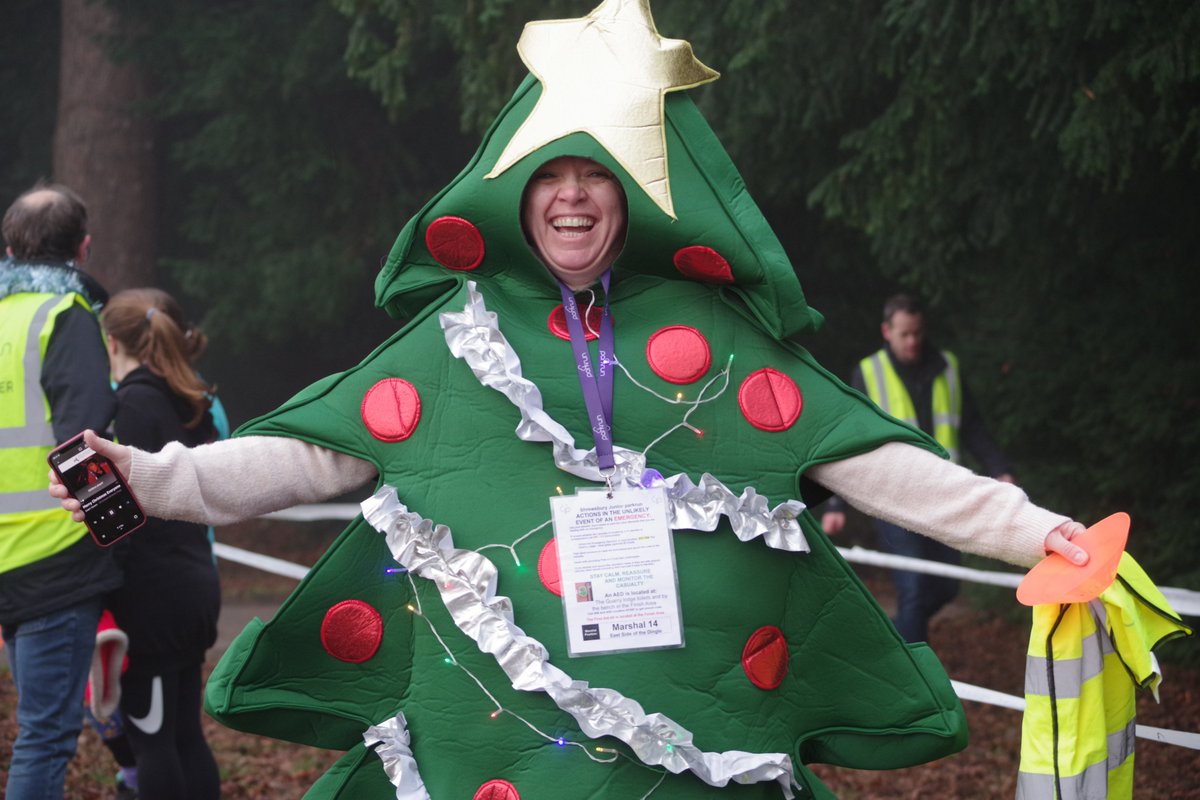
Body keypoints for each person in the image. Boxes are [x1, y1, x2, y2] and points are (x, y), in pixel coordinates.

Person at [52, 4, 1097, 797]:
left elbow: (871, 457)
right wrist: (152, 476)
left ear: (635, 197)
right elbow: (309, 452)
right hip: (496, 739)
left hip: (693, 729)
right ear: (516, 194)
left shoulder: (718, 341)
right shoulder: (458, 339)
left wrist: (1036, 529)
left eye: (598, 176)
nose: (572, 195)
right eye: (551, 174)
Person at [1, 182, 120, 799]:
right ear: (83, 246)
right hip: (54, 552)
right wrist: (117, 531)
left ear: (10, 246)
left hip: (7, 560)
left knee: (35, 730)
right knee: (45, 737)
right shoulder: (65, 317)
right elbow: (85, 439)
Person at [820, 292, 1016, 643]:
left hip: (946, 498)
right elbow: (848, 441)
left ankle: (890, 644)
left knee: (946, 585)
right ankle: (917, 679)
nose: (912, 342)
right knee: (913, 587)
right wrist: (836, 504)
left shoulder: (948, 367)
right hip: (893, 500)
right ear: (886, 331)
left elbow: (972, 426)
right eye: (904, 334)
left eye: (917, 333)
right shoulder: (868, 373)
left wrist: (999, 468)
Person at [99, 288, 222, 800]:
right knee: (186, 737)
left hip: (148, 601)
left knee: (152, 744)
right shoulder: (193, 405)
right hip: (195, 585)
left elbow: (117, 524)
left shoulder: (126, 408)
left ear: (112, 344)